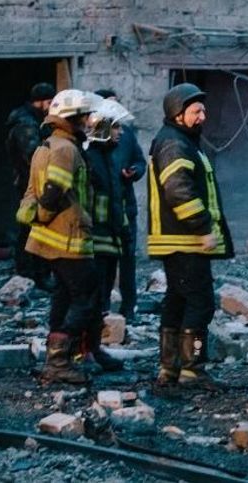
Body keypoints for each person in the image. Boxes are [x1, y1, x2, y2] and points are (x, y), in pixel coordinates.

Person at [148, 83, 234, 389]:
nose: (203, 116)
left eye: (203, 110)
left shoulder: (177, 141)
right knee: (200, 303)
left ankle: (170, 368)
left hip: (176, 239)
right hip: (185, 239)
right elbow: (179, 191)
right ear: (178, 114)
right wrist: (203, 228)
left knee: (177, 300)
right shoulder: (175, 144)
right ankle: (191, 369)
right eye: (196, 111)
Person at [16, 88, 99, 384]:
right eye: (84, 116)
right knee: (87, 296)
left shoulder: (46, 145)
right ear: (71, 118)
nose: (88, 121)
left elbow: (32, 192)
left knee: (63, 296)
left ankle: (57, 359)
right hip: (67, 238)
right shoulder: (66, 149)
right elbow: (52, 194)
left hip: (50, 239)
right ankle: (59, 361)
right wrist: (45, 215)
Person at [79, 100, 130, 373]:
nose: (121, 132)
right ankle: (83, 351)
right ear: (104, 128)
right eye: (117, 126)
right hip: (95, 241)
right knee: (91, 295)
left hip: (109, 240)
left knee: (102, 298)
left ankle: (95, 348)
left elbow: (114, 201)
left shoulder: (110, 157)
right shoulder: (91, 158)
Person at [95, 89, 147, 320]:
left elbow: (140, 161)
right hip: (104, 214)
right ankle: (103, 308)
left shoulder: (126, 135)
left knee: (127, 260)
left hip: (125, 207)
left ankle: (129, 307)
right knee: (104, 263)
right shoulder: (93, 141)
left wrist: (134, 171)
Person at [6, 82, 56, 285]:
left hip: (32, 182)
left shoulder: (31, 121)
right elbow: (33, 155)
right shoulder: (26, 124)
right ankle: (29, 274)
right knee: (31, 228)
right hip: (31, 183)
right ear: (43, 101)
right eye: (51, 102)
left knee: (34, 227)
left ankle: (33, 273)